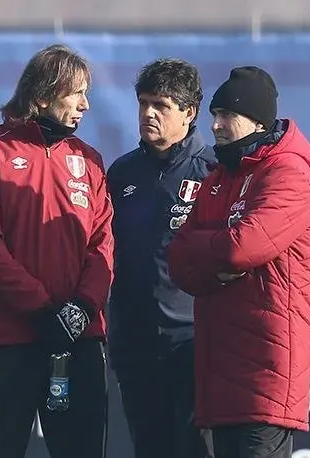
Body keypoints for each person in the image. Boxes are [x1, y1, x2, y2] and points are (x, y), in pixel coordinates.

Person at [0, 44, 114, 458]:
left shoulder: (89, 161)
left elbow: (102, 246)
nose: (86, 105)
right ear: (42, 94)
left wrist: (80, 308)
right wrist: (44, 311)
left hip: (79, 338)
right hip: (9, 338)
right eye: (76, 93)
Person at [168, 66, 310, 458]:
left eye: (226, 116)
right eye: (214, 116)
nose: (216, 125)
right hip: (221, 375)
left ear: (257, 121)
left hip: (267, 376)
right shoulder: (219, 179)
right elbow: (179, 260)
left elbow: (243, 248)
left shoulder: (290, 175)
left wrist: (209, 247)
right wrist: (215, 252)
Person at [106, 58, 215, 458]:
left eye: (161, 105)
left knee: (195, 450)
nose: (148, 113)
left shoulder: (215, 173)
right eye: (143, 103)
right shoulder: (122, 174)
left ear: (188, 112)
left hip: (193, 342)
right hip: (134, 343)